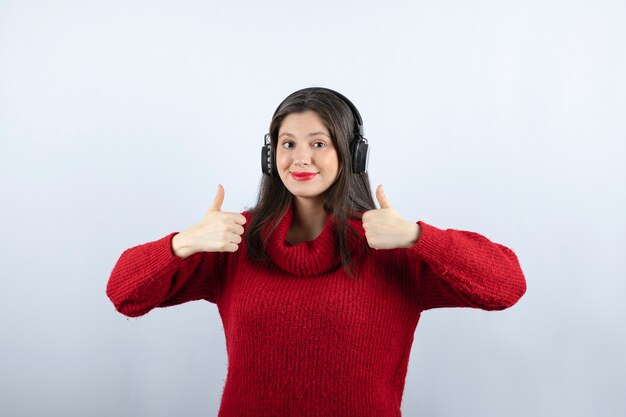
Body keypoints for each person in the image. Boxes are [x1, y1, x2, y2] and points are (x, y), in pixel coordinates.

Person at [106, 87, 527, 416]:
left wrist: (420, 238)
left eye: (319, 143)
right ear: (270, 156)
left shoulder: (392, 246)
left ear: (352, 153)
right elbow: (123, 294)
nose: (301, 158)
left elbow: (507, 285)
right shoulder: (233, 240)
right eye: (288, 144)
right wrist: (185, 243)